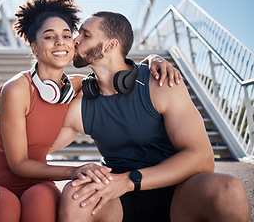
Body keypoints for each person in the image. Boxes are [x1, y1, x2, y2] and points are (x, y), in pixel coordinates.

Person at [0, 0, 181, 222]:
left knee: (41, 202)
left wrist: (154, 59)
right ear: (34, 47)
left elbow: (120, 70)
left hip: (37, 183)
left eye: (67, 35)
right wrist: (73, 170)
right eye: (49, 37)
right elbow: (18, 164)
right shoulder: (17, 88)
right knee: (3, 208)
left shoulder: (76, 85)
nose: (61, 42)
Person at [52, 11, 251, 222]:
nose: (75, 40)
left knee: (229, 189)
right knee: (76, 196)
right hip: (117, 196)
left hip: (177, 191)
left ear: (111, 45)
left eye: (85, 35)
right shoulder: (81, 103)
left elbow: (202, 158)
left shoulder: (161, 83)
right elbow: (33, 151)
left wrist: (129, 181)